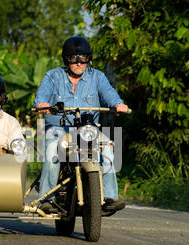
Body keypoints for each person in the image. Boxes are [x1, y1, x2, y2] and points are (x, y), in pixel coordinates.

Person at [33, 35, 129, 213]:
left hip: (87, 130)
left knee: (107, 147)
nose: (78, 63)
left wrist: (118, 104)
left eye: (83, 58)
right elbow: (41, 96)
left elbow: (109, 93)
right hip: (58, 130)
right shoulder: (53, 76)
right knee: (52, 150)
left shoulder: (97, 77)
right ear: (66, 59)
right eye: (74, 59)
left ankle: (109, 197)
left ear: (88, 59)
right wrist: (42, 104)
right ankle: (47, 198)